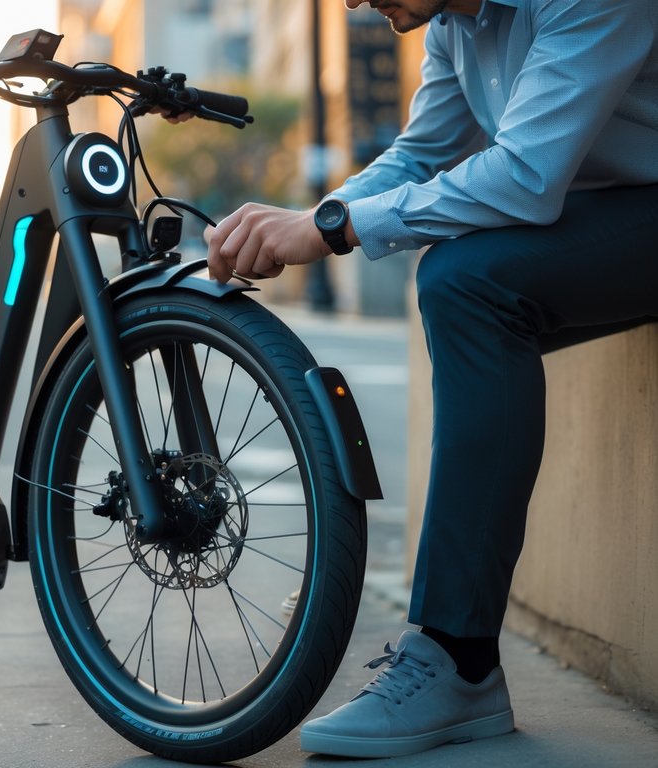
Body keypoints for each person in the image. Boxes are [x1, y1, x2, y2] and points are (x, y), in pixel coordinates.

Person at [203, 0, 658, 759]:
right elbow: (422, 157)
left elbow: (523, 175)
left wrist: (329, 230)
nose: (351, 3)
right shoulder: (454, 25)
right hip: (621, 214)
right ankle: (457, 659)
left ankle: (458, 658)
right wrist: (318, 213)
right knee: (466, 288)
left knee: (466, 282)